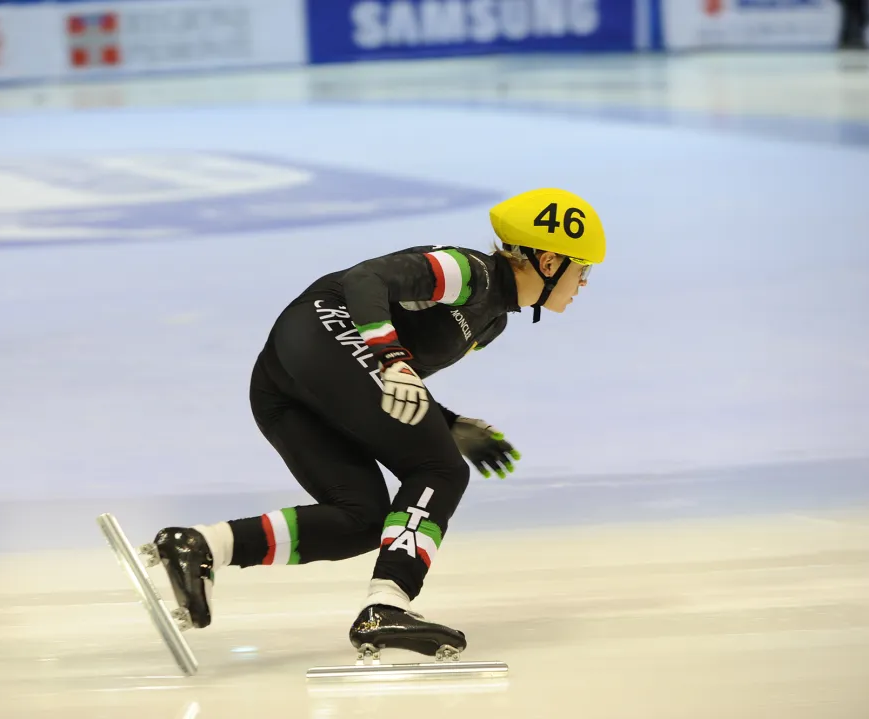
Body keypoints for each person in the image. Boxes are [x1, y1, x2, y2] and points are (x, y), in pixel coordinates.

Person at [152, 188, 606, 658]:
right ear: (549, 262)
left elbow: (385, 387)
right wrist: (392, 358)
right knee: (442, 470)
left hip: (285, 384)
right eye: (584, 269)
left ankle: (203, 545)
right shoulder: (469, 273)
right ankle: (387, 605)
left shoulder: (492, 323)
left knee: (363, 519)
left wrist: (448, 423)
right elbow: (366, 281)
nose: (585, 283)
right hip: (317, 336)